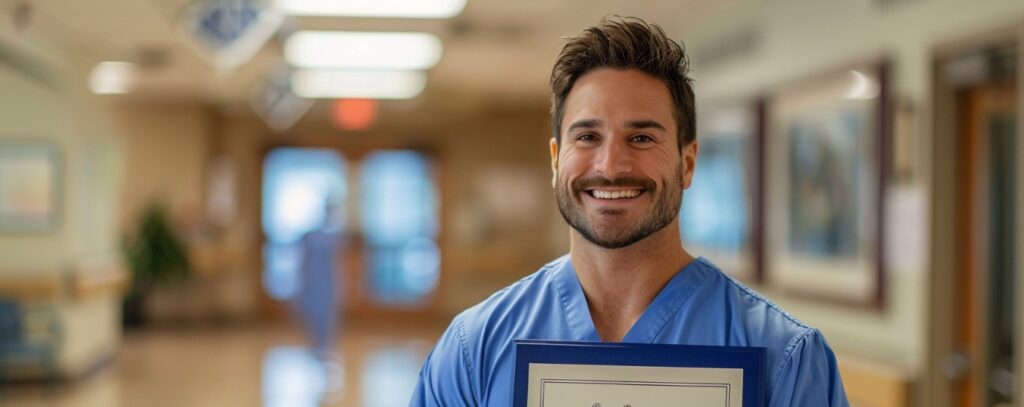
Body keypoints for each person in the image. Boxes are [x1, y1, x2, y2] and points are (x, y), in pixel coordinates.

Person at [410, 17, 849, 406]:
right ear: (555, 160)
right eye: (586, 137)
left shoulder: (785, 357)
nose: (611, 166)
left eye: (641, 138)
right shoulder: (476, 350)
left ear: (687, 163)